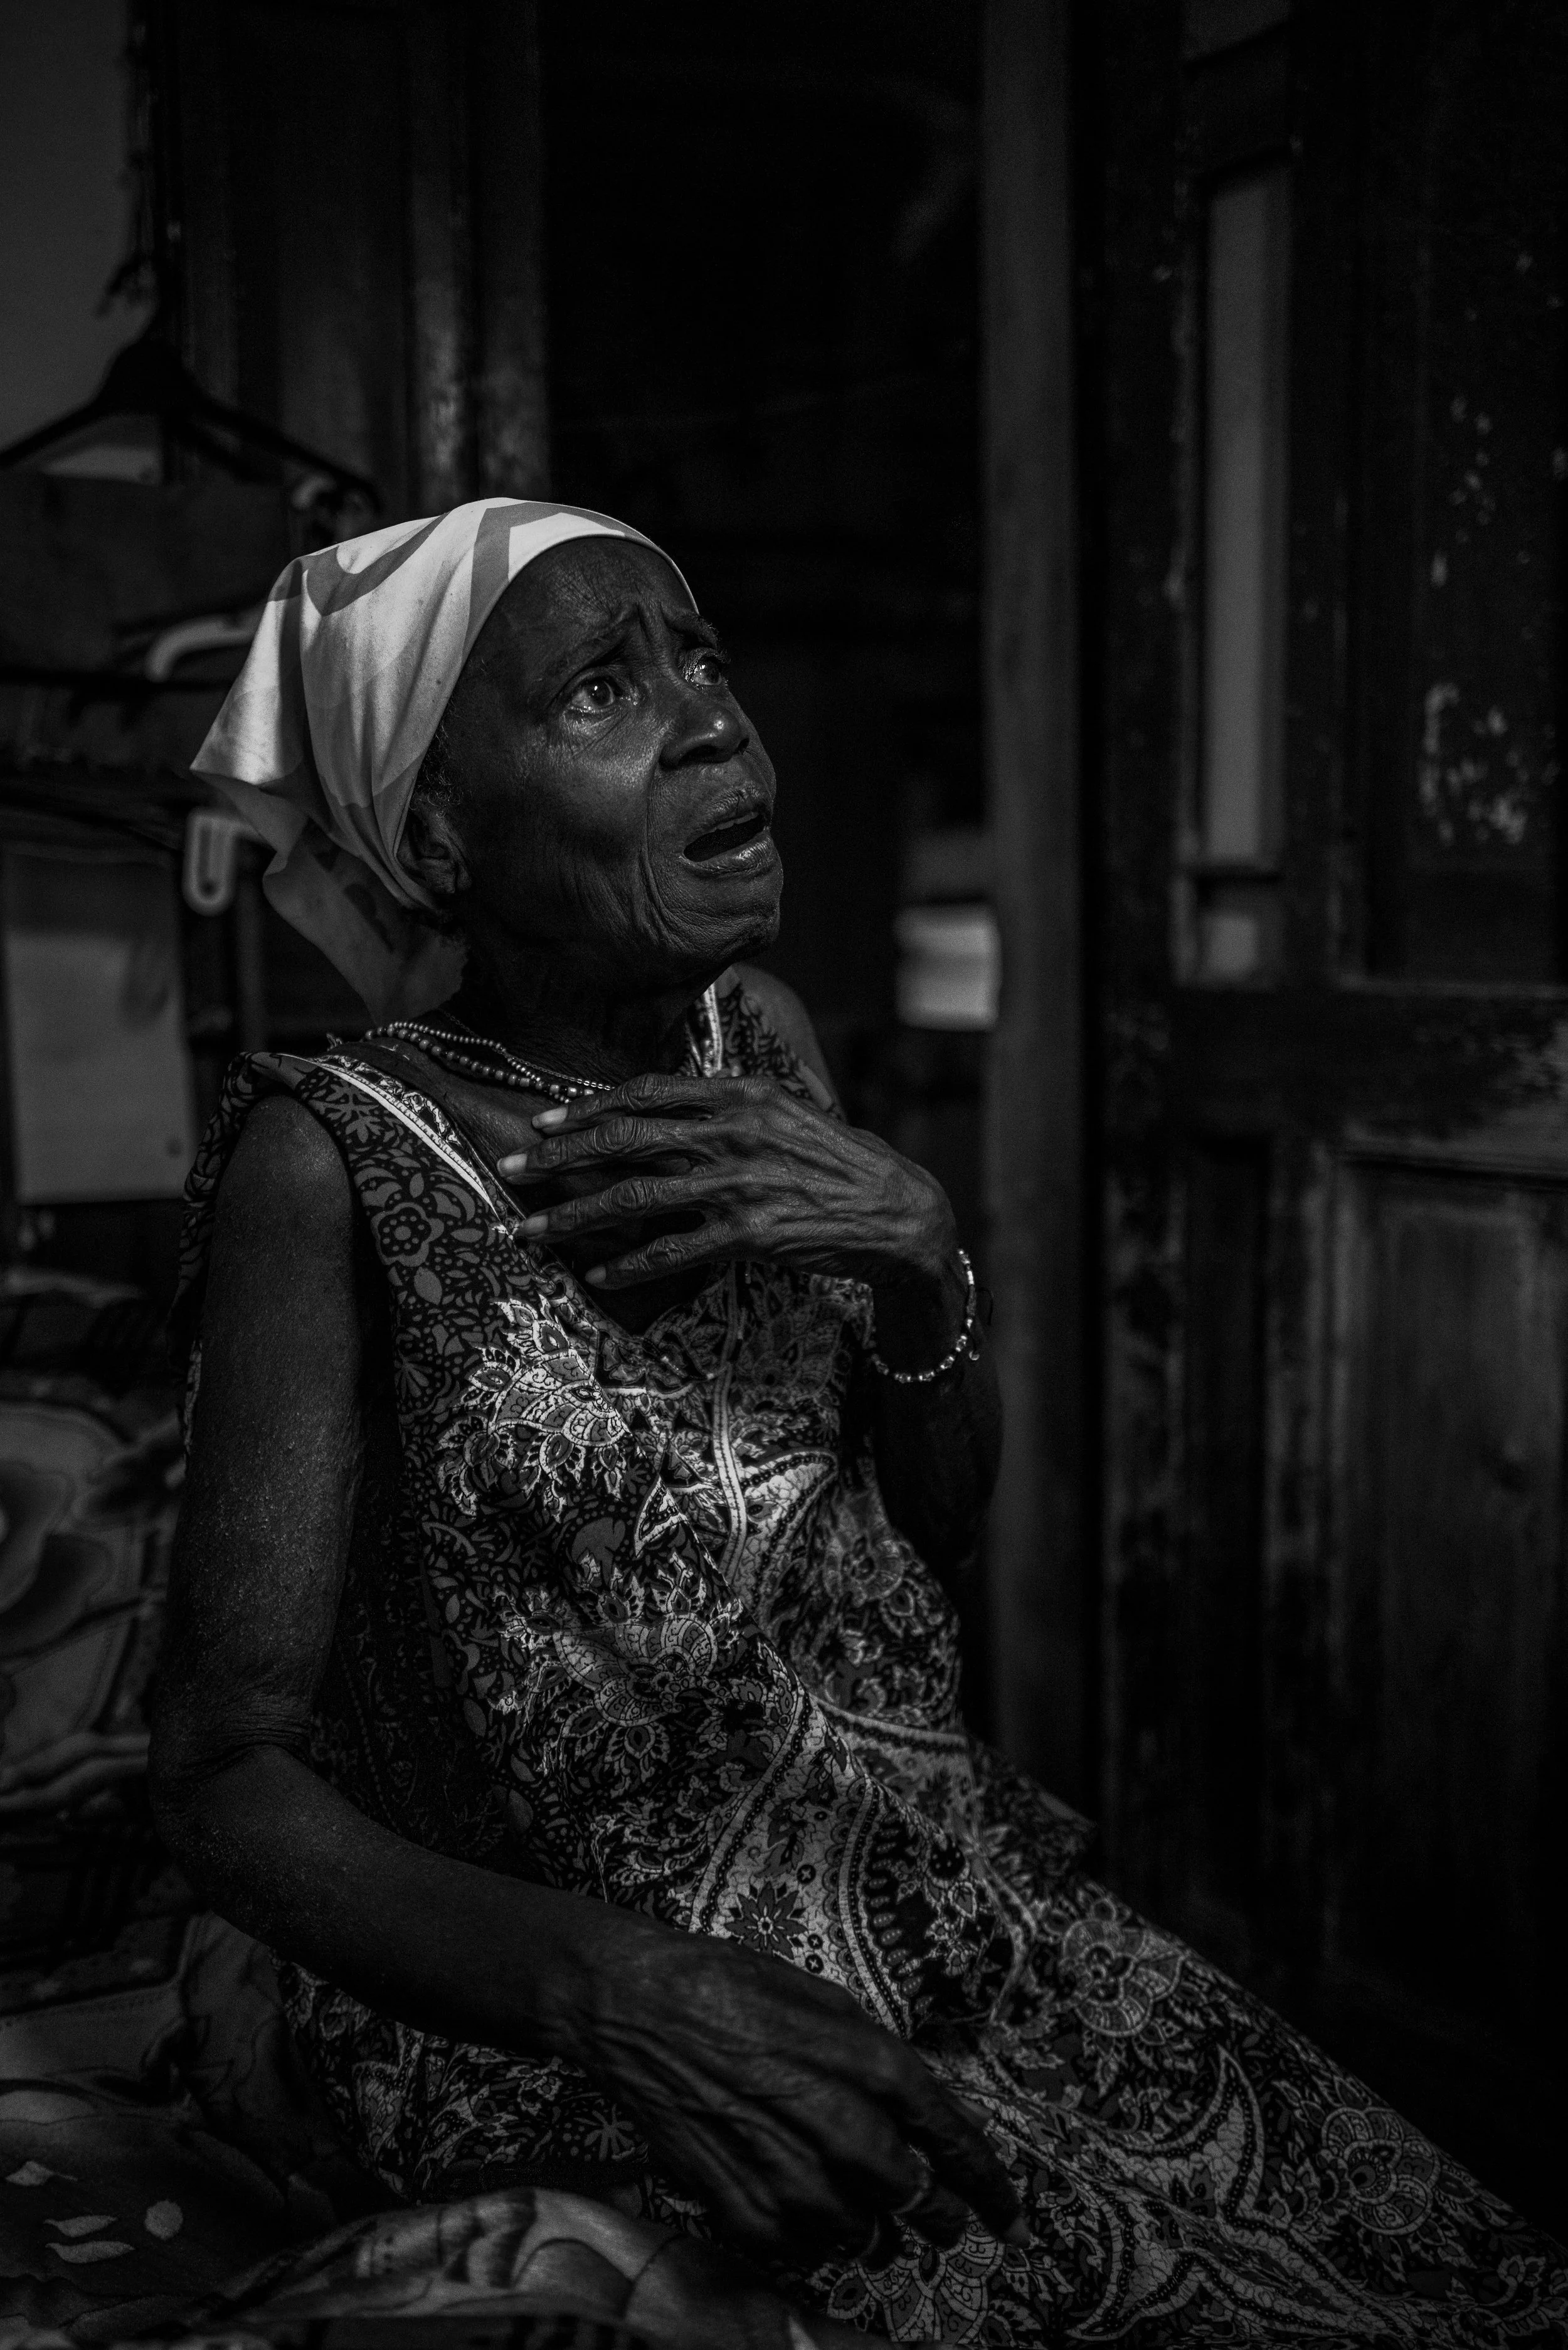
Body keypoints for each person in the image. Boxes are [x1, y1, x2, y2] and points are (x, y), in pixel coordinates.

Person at [153, 499, 1567, 2346]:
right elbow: (219, 1779)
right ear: (432, 832)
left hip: (932, 1908)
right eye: (600, 686)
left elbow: (924, 1532)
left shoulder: (761, 1036)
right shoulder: (327, 1162)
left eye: (700, 659)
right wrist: (624, 1993)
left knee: (1448, 2284)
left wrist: (919, 1262)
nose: (709, 720)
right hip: (561, 2006)